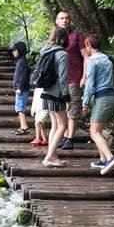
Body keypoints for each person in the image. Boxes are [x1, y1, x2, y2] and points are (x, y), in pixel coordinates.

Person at [80, 33, 114, 174]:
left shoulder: (92, 60)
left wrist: (85, 104)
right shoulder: (108, 59)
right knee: (100, 129)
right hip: (113, 98)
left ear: (88, 45)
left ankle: (110, 158)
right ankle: (102, 159)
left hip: (103, 98)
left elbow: (90, 83)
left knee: (94, 132)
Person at [38, 27, 71, 167]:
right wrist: (67, 98)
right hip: (57, 94)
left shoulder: (45, 51)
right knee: (64, 125)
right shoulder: (62, 54)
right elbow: (63, 79)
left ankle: (51, 154)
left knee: (55, 125)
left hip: (46, 92)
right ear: (63, 39)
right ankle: (50, 157)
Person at [54, 10, 86, 149]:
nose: (64, 21)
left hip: (74, 77)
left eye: (67, 18)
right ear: (56, 21)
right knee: (61, 108)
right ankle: (65, 136)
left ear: (70, 20)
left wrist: (84, 76)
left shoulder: (77, 36)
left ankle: (70, 138)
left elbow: (86, 57)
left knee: (73, 108)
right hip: (57, 80)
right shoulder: (54, 37)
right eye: (61, 18)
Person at [11, 41, 30, 135]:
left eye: (14, 50)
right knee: (19, 108)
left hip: (22, 89)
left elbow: (23, 76)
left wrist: (19, 87)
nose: (13, 52)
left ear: (19, 50)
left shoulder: (22, 61)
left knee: (20, 108)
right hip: (20, 89)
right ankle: (22, 126)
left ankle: (25, 127)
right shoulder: (21, 61)